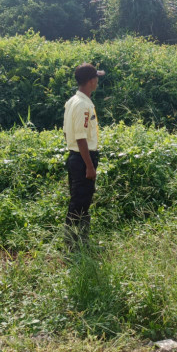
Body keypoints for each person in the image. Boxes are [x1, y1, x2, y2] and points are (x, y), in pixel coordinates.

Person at [63, 62, 105, 252]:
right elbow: (81, 138)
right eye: (96, 78)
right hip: (83, 159)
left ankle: (79, 242)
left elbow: (67, 133)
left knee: (80, 200)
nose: (97, 81)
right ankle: (74, 245)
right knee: (80, 203)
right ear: (90, 81)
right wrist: (89, 166)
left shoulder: (73, 101)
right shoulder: (82, 105)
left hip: (76, 157)